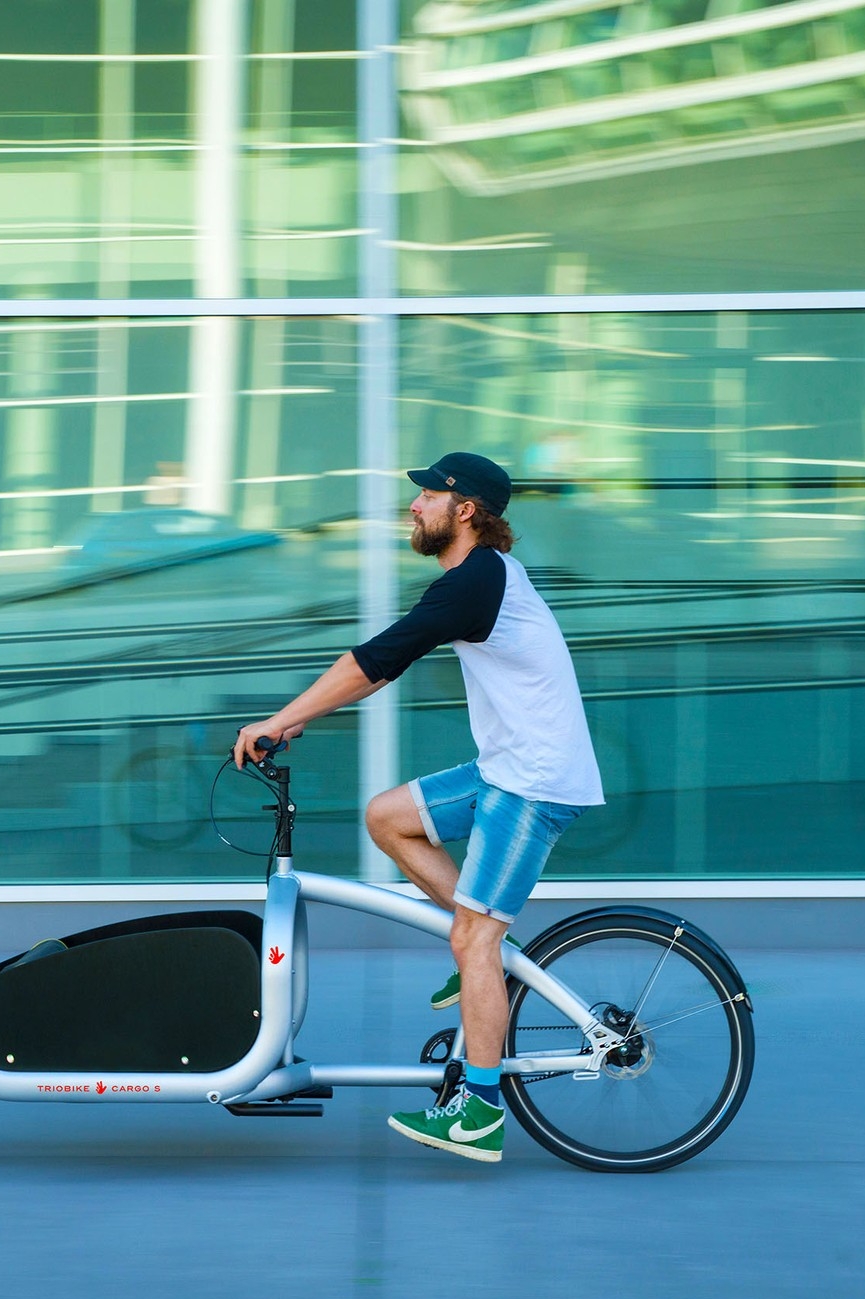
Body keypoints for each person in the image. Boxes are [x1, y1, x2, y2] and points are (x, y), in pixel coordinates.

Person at [233, 452, 603, 1163]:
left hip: (535, 782)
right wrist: (302, 714)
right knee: (387, 816)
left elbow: (377, 660)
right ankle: (490, 954)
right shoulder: (476, 579)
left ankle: (479, 1112)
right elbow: (376, 663)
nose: (415, 505)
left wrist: (281, 718)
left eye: (430, 494)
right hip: (506, 768)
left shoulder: (478, 580)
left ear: (465, 511)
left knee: (472, 939)